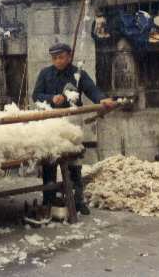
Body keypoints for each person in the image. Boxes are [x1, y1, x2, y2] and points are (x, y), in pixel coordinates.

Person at [32, 42, 115, 215]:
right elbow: (36, 95)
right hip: (51, 122)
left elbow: (92, 89)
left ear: (69, 56)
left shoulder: (78, 74)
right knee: (50, 160)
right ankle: (49, 198)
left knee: (74, 161)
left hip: (72, 123)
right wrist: (51, 98)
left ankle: (78, 200)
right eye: (54, 58)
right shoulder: (45, 74)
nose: (58, 61)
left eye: (61, 57)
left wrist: (102, 99)